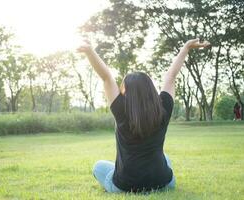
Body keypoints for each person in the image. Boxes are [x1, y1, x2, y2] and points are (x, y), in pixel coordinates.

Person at [77, 38, 210, 193]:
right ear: (150, 89)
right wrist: (186, 48)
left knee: (99, 166)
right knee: (165, 158)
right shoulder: (163, 107)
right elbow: (171, 76)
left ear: (126, 92)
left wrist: (89, 51)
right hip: (164, 183)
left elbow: (106, 77)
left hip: (125, 186)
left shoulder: (120, 110)